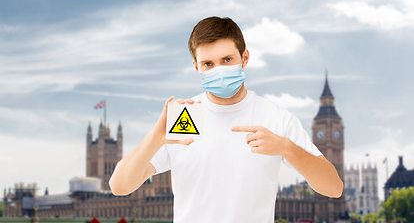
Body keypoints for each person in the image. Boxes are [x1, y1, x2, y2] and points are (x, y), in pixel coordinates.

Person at [109, 16, 343, 222]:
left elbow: (333, 187)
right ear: (196, 67)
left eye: (227, 60)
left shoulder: (275, 117)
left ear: (245, 57)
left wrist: (287, 148)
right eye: (208, 64)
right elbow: (119, 186)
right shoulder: (186, 116)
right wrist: (154, 138)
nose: (218, 70)